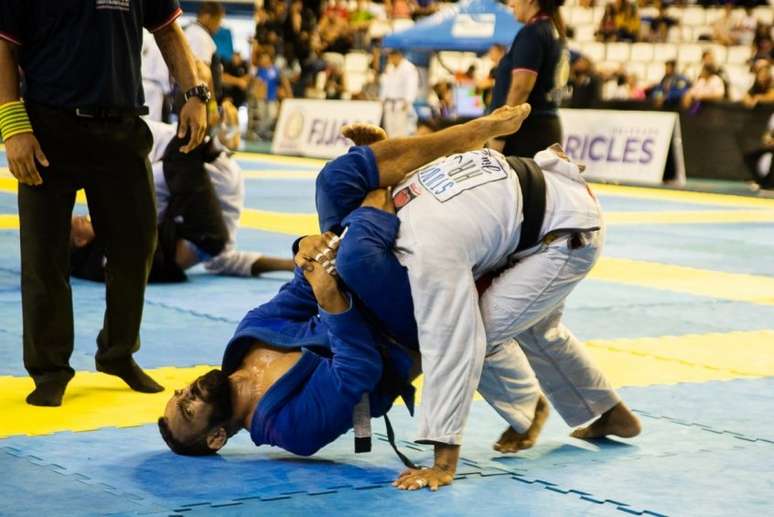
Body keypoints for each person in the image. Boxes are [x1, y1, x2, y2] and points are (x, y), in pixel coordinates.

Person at [159, 106, 640, 491]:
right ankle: (536, 404)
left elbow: (298, 288)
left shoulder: (244, 343)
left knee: (333, 185)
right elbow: (361, 370)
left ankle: (383, 176)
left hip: (535, 218)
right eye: (186, 410)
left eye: (178, 395)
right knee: (464, 321)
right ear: (217, 436)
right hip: (394, 333)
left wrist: (309, 254)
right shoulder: (290, 430)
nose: (188, 393)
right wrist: (443, 461)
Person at [0, 0, 208, 407]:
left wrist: (196, 93)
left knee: (137, 244)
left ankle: (118, 352)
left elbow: (168, 31)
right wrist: (11, 123)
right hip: (47, 126)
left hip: (122, 125)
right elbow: (4, 46)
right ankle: (49, 369)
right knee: (44, 255)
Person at [69, 120, 295, 283]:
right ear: (79, 241)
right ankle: (208, 128)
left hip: (212, 186)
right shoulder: (103, 257)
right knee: (147, 180)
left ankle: (209, 134)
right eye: (78, 222)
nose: (82, 217)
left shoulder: (97, 254)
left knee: (219, 257)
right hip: (216, 179)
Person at [489, 0, 570, 158]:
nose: (510, 3)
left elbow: (521, 87)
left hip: (524, 133)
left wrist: (500, 133)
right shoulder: (553, 31)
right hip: (545, 127)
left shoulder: (532, 33)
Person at [380, 49, 420, 137]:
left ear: (398, 56)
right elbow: (385, 84)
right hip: (389, 103)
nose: (389, 59)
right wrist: (382, 98)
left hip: (401, 104)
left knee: (401, 130)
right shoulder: (389, 67)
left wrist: (408, 101)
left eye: (391, 57)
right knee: (389, 130)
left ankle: (399, 149)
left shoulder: (408, 67)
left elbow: (412, 85)